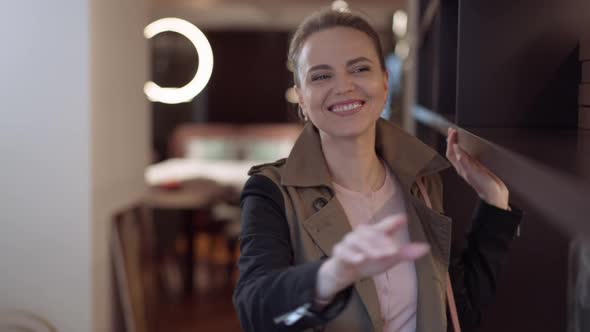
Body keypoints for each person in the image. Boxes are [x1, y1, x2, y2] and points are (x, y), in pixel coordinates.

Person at [233, 8, 522, 332]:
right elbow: (255, 313)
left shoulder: (423, 184)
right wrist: (332, 276)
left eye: (359, 68)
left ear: (384, 82)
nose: (343, 86)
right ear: (301, 97)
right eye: (321, 75)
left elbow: (458, 312)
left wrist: (494, 202)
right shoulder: (270, 191)